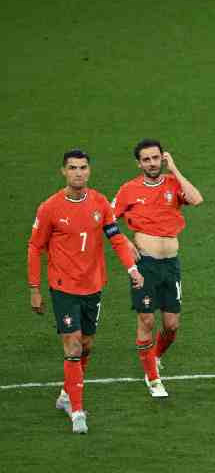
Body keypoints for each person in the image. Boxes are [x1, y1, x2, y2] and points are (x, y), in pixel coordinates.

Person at [28, 149, 144, 434]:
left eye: (82, 167)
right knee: (74, 344)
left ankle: (67, 394)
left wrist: (132, 269)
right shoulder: (50, 207)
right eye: (72, 168)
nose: (78, 172)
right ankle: (77, 410)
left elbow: (115, 238)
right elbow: (35, 247)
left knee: (88, 344)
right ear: (63, 172)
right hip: (63, 286)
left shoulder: (100, 203)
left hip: (93, 285)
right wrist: (35, 288)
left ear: (89, 171)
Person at [112, 139, 204, 397]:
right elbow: (106, 217)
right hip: (146, 266)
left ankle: (154, 358)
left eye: (155, 158)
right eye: (146, 159)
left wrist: (174, 169)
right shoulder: (129, 189)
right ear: (139, 163)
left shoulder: (173, 183)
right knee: (147, 319)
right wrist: (124, 241)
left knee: (172, 325)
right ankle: (153, 379)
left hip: (171, 265)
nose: (152, 163)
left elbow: (197, 200)